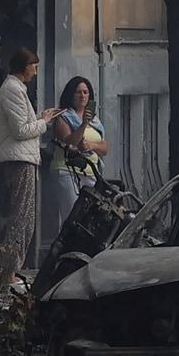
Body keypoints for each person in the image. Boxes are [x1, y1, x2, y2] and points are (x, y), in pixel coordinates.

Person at [0, 48, 61, 293]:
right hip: (19, 160)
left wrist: (41, 117)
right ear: (24, 66)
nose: (36, 70)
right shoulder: (12, 89)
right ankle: (7, 273)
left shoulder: (16, 89)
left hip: (23, 158)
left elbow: (21, 126)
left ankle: (8, 272)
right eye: (34, 66)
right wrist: (45, 123)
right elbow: (21, 131)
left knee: (24, 217)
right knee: (21, 219)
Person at [45, 76, 109, 247]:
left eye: (86, 92)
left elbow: (104, 148)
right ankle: (67, 251)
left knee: (89, 217)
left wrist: (92, 145)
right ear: (71, 95)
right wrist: (83, 124)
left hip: (91, 174)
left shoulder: (96, 120)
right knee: (71, 214)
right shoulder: (64, 117)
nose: (82, 96)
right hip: (67, 171)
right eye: (78, 92)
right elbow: (71, 141)